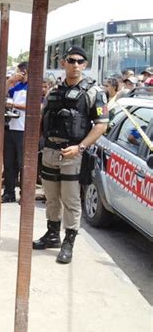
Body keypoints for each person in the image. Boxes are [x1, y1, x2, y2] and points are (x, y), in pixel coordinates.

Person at [34, 45, 108, 264]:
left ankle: (69, 241)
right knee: (51, 198)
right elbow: (42, 118)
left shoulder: (95, 93)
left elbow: (101, 126)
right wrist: (40, 144)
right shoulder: (53, 91)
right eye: (71, 60)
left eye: (80, 61)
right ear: (63, 63)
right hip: (50, 151)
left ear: (85, 65)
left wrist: (80, 147)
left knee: (71, 200)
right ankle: (52, 234)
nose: (75, 65)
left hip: (73, 154)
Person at [2, 62, 29, 203]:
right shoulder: (16, 87)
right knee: (9, 163)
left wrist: (14, 105)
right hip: (11, 127)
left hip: (24, 130)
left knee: (22, 164)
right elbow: (3, 96)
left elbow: (34, 106)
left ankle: (24, 194)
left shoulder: (33, 87)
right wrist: (9, 82)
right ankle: (8, 192)